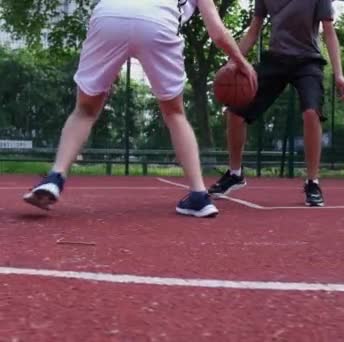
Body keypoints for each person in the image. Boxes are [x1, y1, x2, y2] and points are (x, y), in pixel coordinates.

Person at [22, 0, 257, 218]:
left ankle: (55, 177)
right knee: (174, 113)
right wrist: (241, 61)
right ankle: (198, 197)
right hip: (158, 22)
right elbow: (216, 31)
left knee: (85, 109)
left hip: (110, 14)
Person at [208, 0, 344, 207]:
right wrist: (233, 61)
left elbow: (329, 32)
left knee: (312, 113)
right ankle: (235, 173)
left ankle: (312, 182)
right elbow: (253, 30)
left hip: (308, 61)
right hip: (275, 60)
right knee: (235, 112)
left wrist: (339, 74)